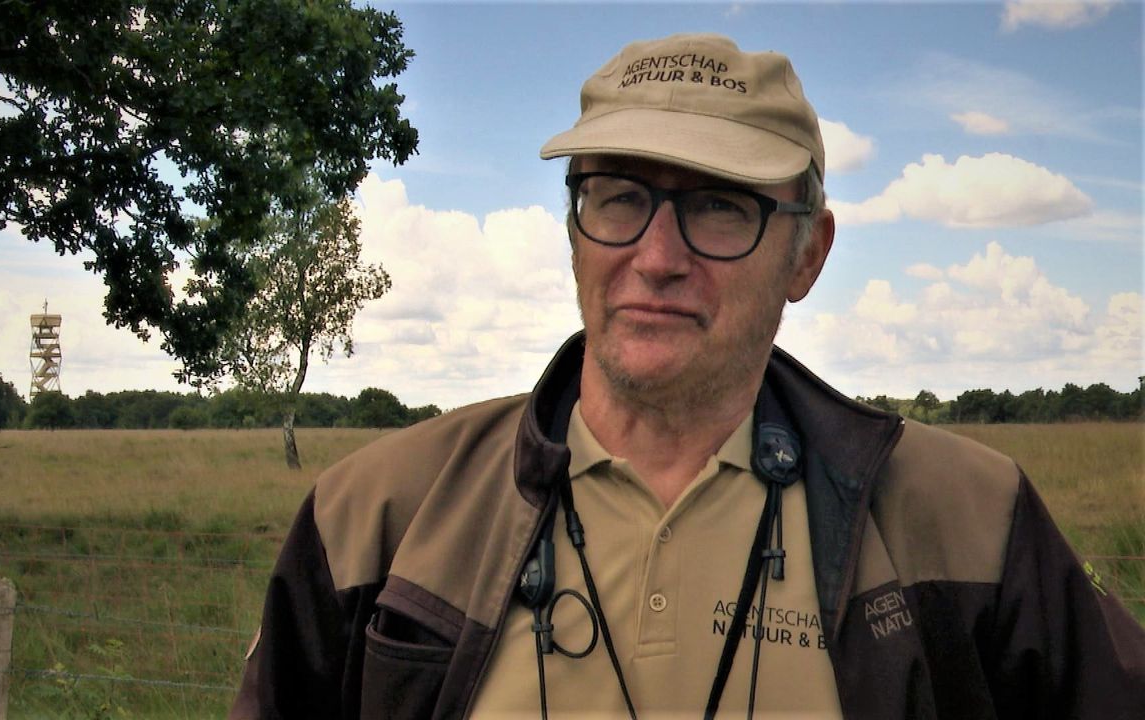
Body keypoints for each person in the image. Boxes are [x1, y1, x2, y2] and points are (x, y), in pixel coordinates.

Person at [229, 33, 1145, 719]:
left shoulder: (967, 518)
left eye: (718, 207)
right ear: (575, 230)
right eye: (618, 197)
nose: (655, 256)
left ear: (806, 255)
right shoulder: (377, 520)